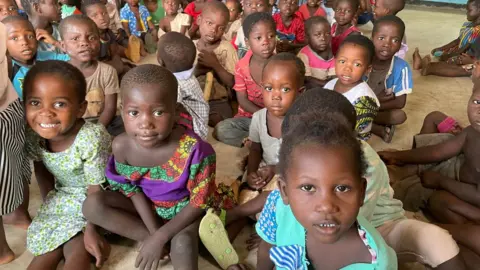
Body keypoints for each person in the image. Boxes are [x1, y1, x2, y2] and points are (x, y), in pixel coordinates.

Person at [281, 89, 468, 270]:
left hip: (378, 226)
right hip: (330, 224)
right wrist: (277, 230)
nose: (316, 144)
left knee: (437, 242)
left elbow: (348, 218)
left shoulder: (368, 163)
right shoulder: (294, 152)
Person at [82, 65, 237, 270]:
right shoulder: (121, 145)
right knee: (92, 205)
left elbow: (198, 203)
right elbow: (132, 190)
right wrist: (155, 235)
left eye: (158, 112)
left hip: (186, 210)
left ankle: (171, 242)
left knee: (182, 245)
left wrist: (164, 235)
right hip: (150, 207)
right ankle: (152, 240)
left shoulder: (196, 150)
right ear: (122, 112)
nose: (145, 123)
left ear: (176, 112)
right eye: (134, 112)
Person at [254, 114, 397, 269]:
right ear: (285, 191)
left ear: (361, 192)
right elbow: (266, 250)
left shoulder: (378, 264)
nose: (326, 206)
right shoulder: (279, 209)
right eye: (308, 188)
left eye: (342, 188)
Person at [379, 84, 480, 267]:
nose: (479, 111)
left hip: (467, 193)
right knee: (436, 128)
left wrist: (441, 181)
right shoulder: (472, 132)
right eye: (476, 101)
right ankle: (406, 169)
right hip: (457, 169)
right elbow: (439, 152)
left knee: (429, 195)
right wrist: (398, 156)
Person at [23, 60, 111, 270]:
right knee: (46, 250)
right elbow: (41, 168)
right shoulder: (35, 134)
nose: (46, 113)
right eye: (35, 103)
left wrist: (91, 229)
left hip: (100, 198)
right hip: (64, 196)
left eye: (59, 104)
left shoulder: (91, 138)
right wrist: (49, 203)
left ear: (81, 108)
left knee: (78, 247)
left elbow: (97, 189)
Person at [240, 53, 304, 205]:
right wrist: (252, 173)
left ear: (300, 92)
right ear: (261, 88)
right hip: (265, 169)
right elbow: (255, 149)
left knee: (283, 197)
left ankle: (242, 215)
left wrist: (275, 169)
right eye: (269, 88)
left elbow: (303, 160)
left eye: (285, 89)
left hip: (291, 172)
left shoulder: (304, 123)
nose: (275, 96)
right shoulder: (258, 117)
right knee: (243, 192)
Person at [214, 12, 276, 147]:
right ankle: (251, 142)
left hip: (277, 117)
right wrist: (262, 116)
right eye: (258, 38)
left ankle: (265, 140)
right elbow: (242, 100)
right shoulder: (242, 66)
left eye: (271, 36)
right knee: (222, 129)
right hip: (251, 118)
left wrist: (275, 117)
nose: (266, 42)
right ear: (247, 42)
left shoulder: (281, 65)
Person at [59, 15, 123, 136]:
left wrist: (95, 132)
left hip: (105, 121)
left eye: (91, 37)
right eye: (75, 39)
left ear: (99, 41)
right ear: (63, 46)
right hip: (74, 123)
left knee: (123, 127)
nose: (84, 43)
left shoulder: (107, 71)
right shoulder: (60, 75)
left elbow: (110, 108)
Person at [0, 21, 31, 265]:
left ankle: (1, 250)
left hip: (5, 109)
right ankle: (17, 213)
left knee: (13, 164)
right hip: (9, 107)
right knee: (13, 163)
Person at [324, 35, 380, 141]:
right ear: (335, 61)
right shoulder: (331, 84)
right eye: (342, 61)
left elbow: (348, 132)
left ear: (368, 69)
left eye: (357, 64)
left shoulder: (365, 100)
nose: (347, 68)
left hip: (350, 143)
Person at [367, 16, 412, 143]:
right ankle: (375, 128)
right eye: (381, 38)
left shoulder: (402, 67)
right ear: (372, 38)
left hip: (377, 108)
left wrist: (372, 106)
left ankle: (363, 121)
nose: (387, 44)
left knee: (399, 116)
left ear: (400, 45)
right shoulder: (362, 59)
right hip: (356, 103)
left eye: (395, 40)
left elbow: (399, 103)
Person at [157, 32, 209, 140]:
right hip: (201, 126)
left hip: (192, 134)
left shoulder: (173, 84)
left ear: (160, 60)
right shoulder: (188, 75)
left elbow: (169, 111)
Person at [194, 1, 238, 127]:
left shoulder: (226, 48)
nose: (214, 30)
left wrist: (216, 65)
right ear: (199, 20)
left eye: (221, 28)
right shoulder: (190, 47)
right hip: (194, 98)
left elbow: (233, 83)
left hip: (218, 100)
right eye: (209, 23)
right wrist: (198, 69)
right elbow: (183, 79)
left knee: (220, 121)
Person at [4, 15, 68, 97]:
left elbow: (78, 61)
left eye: (30, 36)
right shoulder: (6, 69)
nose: (24, 42)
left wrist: (56, 43)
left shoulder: (48, 57)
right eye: (15, 38)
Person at [413, 0, 480, 77]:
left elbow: (466, 47)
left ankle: (429, 68)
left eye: (469, 10)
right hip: (467, 54)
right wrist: (441, 49)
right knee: (443, 55)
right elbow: (457, 41)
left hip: (467, 55)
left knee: (463, 66)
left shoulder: (477, 31)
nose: (466, 13)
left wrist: (450, 56)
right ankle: (423, 65)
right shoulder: (468, 26)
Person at [82, 0, 129, 76]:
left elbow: (114, 54)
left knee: (128, 70)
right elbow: (94, 65)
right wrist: (115, 65)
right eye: (95, 15)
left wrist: (117, 62)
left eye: (104, 13)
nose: (102, 18)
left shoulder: (108, 32)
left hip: (108, 63)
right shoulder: (89, 39)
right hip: (96, 70)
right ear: (86, 19)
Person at [297, 16, 335, 89]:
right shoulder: (304, 54)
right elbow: (307, 79)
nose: (323, 38)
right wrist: (327, 84)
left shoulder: (331, 53)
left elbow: (334, 77)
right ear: (307, 37)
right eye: (318, 34)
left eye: (327, 33)